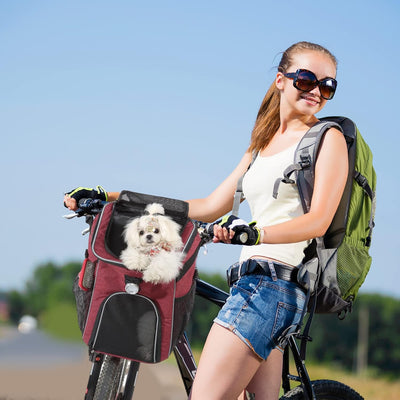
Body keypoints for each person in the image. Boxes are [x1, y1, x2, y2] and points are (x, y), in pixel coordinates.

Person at [64, 41, 348, 400]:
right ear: (280, 80)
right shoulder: (262, 143)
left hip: (273, 288)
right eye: (306, 79)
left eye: (327, 86)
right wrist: (114, 197)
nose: (316, 91)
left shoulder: (328, 139)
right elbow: (209, 206)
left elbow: (318, 221)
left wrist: (253, 233)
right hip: (252, 284)